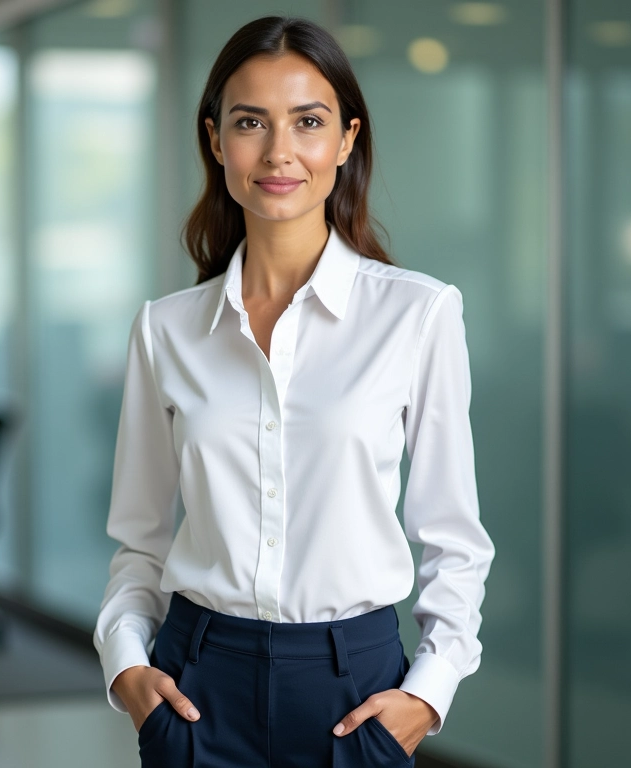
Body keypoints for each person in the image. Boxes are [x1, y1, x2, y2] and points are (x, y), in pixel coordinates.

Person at [93, 14, 495, 768]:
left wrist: (427, 694)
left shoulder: (418, 313)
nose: (279, 152)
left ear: (345, 140)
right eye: (251, 122)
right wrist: (128, 671)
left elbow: (454, 539)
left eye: (307, 122)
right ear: (216, 140)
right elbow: (138, 543)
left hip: (355, 691)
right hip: (195, 685)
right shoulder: (166, 329)